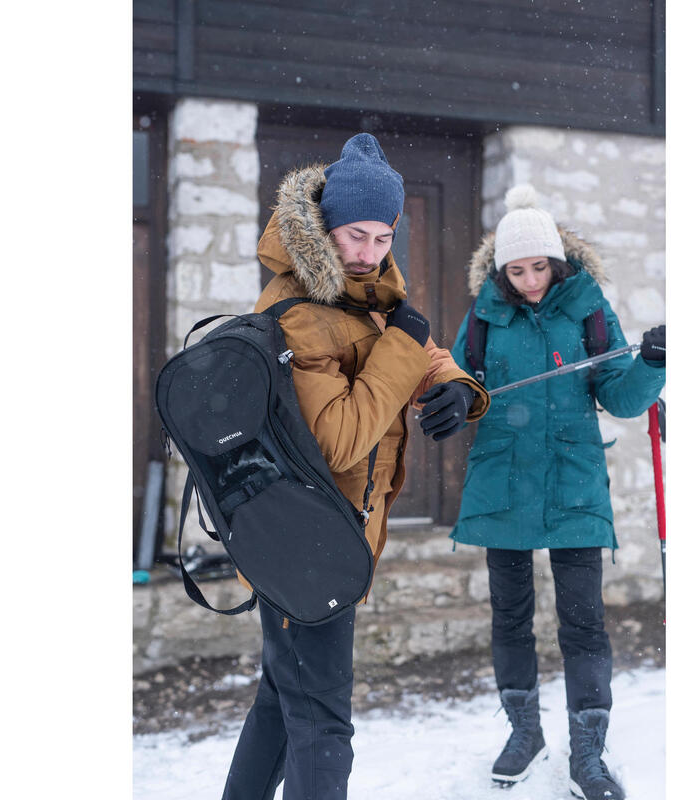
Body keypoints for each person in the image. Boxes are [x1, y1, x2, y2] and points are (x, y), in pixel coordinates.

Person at [221, 133, 490, 800]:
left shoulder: (365, 296)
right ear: (324, 228)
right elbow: (338, 440)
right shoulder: (299, 312)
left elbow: (412, 352)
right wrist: (404, 345)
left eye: (380, 237)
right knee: (321, 723)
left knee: (282, 704)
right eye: (353, 236)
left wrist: (456, 387)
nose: (368, 253)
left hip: (326, 536)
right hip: (307, 542)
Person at [448, 185, 665, 800]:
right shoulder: (485, 315)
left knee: (584, 623)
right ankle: (524, 733)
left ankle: (588, 752)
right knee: (510, 618)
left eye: (538, 267)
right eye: (515, 271)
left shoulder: (590, 310)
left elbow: (621, 396)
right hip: (502, 484)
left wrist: (651, 364)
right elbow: (461, 383)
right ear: (501, 271)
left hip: (572, 484)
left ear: (558, 262)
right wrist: (457, 397)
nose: (529, 281)